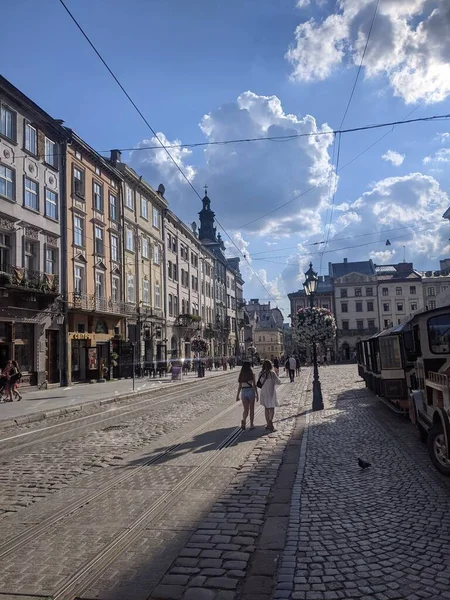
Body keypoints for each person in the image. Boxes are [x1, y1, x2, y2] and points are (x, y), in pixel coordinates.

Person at [258, 360, 281, 432]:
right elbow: (278, 382)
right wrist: (277, 374)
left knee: (266, 408)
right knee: (272, 408)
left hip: (264, 392)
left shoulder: (261, 373)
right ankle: (270, 421)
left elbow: (259, 383)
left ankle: (268, 424)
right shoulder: (272, 373)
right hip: (271, 392)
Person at [236, 361, 258, 430]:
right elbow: (254, 385)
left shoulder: (241, 374)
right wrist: (257, 394)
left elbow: (239, 386)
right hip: (250, 391)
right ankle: (251, 424)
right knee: (252, 409)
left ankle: (244, 420)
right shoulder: (252, 374)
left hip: (244, 392)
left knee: (245, 409)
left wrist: (237, 396)